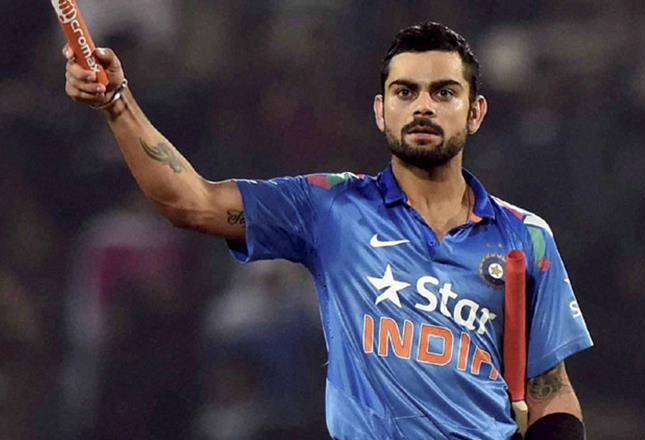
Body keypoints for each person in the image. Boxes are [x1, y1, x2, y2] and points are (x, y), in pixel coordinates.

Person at [63, 21, 593, 440]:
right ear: (381, 111)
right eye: (405, 91)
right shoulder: (332, 207)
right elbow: (193, 203)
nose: (423, 106)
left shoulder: (526, 236)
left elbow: (550, 389)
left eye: (444, 92)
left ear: (475, 113)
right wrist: (117, 102)